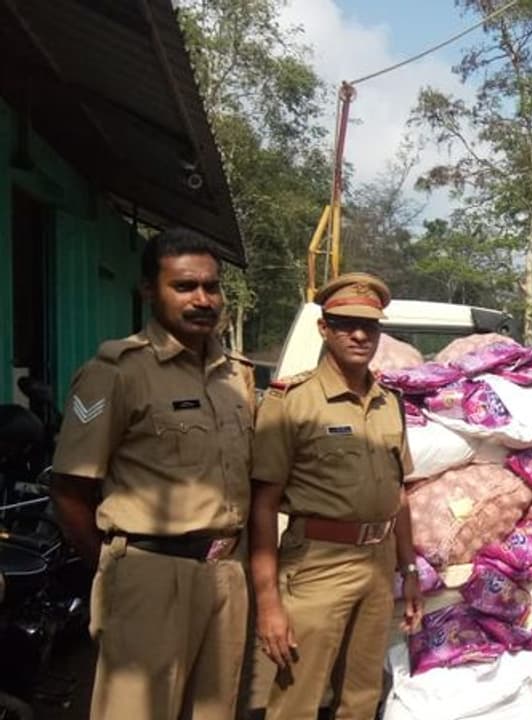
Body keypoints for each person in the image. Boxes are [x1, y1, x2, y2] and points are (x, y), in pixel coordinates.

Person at [50, 228, 256, 720]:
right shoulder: (116, 372)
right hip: (149, 573)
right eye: (184, 287)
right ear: (148, 290)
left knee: (215, 711)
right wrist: (115, 566)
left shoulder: (237, 376)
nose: (202, 299)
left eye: (211, 286)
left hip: (226, 574)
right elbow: (69, 489)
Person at [248, 272, 421, 720]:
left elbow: (398, 492)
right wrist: (268, 602)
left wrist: (409, 568)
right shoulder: (291, 401)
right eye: (346, 323)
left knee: (362, 697)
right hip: (316, 565)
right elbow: (263, 505)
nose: (360, 334)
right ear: (324, 328)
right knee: (298, 698)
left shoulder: (389, 401)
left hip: (377, 565)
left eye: (370, 325)